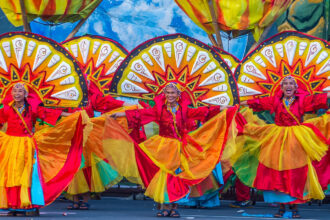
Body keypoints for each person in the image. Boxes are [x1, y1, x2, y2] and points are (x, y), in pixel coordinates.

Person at [112, 83, 238, 217]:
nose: (170, 95)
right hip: (163, 148)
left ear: (178, 95)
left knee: (178, 178)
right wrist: (119, 114)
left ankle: (174, 207)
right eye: (168, 93)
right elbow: (139, 114)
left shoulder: (185, 110)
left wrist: (223, 108)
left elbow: (205, 111)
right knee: (166, 178)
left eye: (173, 93)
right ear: (164, 95)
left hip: (181, 148)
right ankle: (165, 206)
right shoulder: (159, 110)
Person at [235, 76, 330, 218]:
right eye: (285, 83)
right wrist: (239, 103)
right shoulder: (275, 100)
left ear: (296, 88)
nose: (288, 86)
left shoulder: (302, 100)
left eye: (291, 83)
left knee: (296, 174)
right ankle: (281, 207)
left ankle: (295, 207)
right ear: (281, 88)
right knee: (278, 174)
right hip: (277, 139)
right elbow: (258, 103)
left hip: (297, 139)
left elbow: (317, 100)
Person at [0, 83, 85, 217]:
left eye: (20, 91)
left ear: (25, 95)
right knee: (11, 175)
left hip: (26, 145)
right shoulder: (6, 109)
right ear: (11, 94)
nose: (17, 93)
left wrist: (70, 115)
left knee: (27, 176)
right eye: (14, 91)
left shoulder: (32, 109)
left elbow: (48, 113)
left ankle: (26, 205)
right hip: (10, 145)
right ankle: (13, 205)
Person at [66, 81, 132, 210]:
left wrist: (129, 105)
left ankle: (84, 199)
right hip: (71, 134)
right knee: (73, 166)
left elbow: (108, 103)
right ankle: (74, 198)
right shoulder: (68, 96)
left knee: (85, 166)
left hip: (87, 135)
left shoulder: (92, 98)